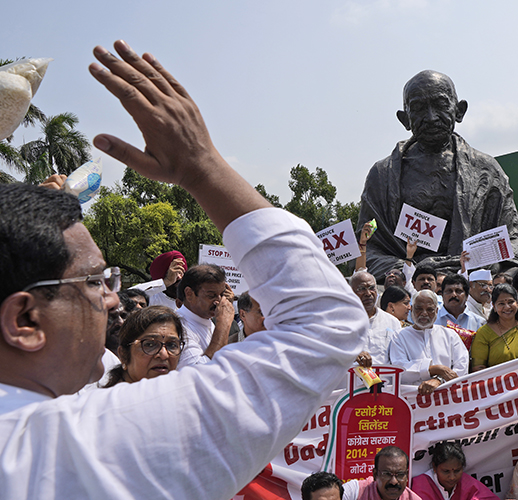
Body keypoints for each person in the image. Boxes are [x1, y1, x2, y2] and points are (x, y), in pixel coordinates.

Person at [0, 40, 367, 498]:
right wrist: (202, 167)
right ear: (25, 320)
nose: (114, 298)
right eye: (94, 281)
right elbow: (328, 324)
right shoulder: (72, 449)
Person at [356, 70, 518, 278]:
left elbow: (516, 242)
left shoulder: (487, 170)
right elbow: (365, 248)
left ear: (459, 111)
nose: (430, 117)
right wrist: (414, 269)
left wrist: (480, 264)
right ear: (405, 120)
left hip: (473, 277)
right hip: (410, 282)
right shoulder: (382, 176)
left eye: (440, 104)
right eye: (419, 108)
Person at [389, 290, 469, 394]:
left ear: (436, 311)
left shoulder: (450, 335)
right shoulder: (399, 336)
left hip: (447, 400)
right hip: (413, 401)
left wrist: (439, 380)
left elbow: (462, 367)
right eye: (419, 309)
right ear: (412, 309)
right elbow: (400, 370)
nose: (424, 313)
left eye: (430, 309)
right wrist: (435, 369)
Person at [103, 306, 185, 387]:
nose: (164, 355)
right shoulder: (111, 399)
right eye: (150, 344)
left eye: (172, 345)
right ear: (123, 354)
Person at [175, 264, 236, 368]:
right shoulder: (178, 325)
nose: (218, 301)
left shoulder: (207, 320)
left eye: (221, 295)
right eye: (211, 296)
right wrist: (223, 324)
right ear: (189, 293)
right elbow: (201, 371)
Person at [470, 284, 518, 371]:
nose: (507, 307)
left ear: (517, 302)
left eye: (511, 302)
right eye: (501, 303)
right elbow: (478, 368)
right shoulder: (484, 333)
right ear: (494, 307)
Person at [411, 442, 496, 500]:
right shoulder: (421, 485)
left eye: (457, 471)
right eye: (446, 471)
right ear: (434, 467)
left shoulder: (466, 482)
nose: (452, 477)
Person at [351, 271, 402, 365]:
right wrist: (352, 355)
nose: (368, 293)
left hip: (385, 378)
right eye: (361, 289)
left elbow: (398, 358)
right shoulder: (339, 323)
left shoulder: (392, 322)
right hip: (352, 378)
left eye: (372, 288)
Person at [342, 446, 423, 500]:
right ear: (375, 474)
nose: (394, 482)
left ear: (407, 476)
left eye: (400, 475)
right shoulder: (356, 492)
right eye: (387, 474)